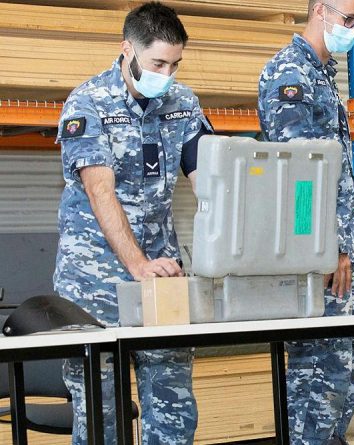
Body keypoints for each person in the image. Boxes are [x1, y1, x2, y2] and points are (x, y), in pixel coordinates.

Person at [54, 2, 213, 444]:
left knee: (173, 410)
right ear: (127, 49)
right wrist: (138, 265)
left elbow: (209, 181)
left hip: (162, 281)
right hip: (95, 283)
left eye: (175, 63)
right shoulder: (88, 103)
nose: (168, 73)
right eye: (158, 62)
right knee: (101, 417)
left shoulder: (182, 103)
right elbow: (100, 192)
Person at [257, 1, 354, 444]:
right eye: (349, 18)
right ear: (321, 9)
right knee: (318, 380)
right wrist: (327, 247)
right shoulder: (291, 75)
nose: (353, 29)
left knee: (344, 375)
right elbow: (299, 176)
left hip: (340, 250)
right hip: (320, 255)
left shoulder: (324, 74)